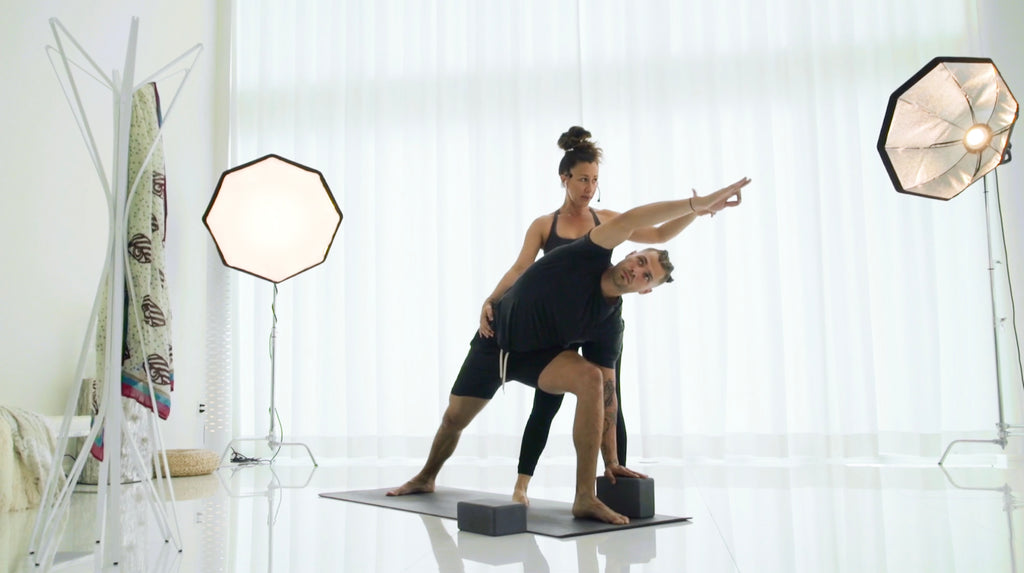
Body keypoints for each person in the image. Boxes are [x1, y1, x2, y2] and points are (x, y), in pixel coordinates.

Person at [388, 176, 750, 524]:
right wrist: (695, 205)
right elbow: (637, 220)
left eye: (646, 276)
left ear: (646, 290)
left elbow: (608, 393)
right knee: (454, 419)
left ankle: (584, 497)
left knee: (591, 378)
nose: (636, 271)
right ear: (630, 252)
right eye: (639, 261)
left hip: (540, 356)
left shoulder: (609, 324)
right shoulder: (589, 253)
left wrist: (612, 460)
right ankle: (426, 476)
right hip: (495, 341)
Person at [478, 126, 704, 505]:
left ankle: (617, 482)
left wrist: (700, 210)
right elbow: (520, 270)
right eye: (583, 179)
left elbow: (661, 234)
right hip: (555, 326)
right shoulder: (544, 225)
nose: (589, 188)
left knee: (609, 397)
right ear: (564, 178)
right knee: (545, 405)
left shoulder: (606, 220)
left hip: (596, 318)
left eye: (595, 181)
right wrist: (492, 298)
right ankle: (521, 486)